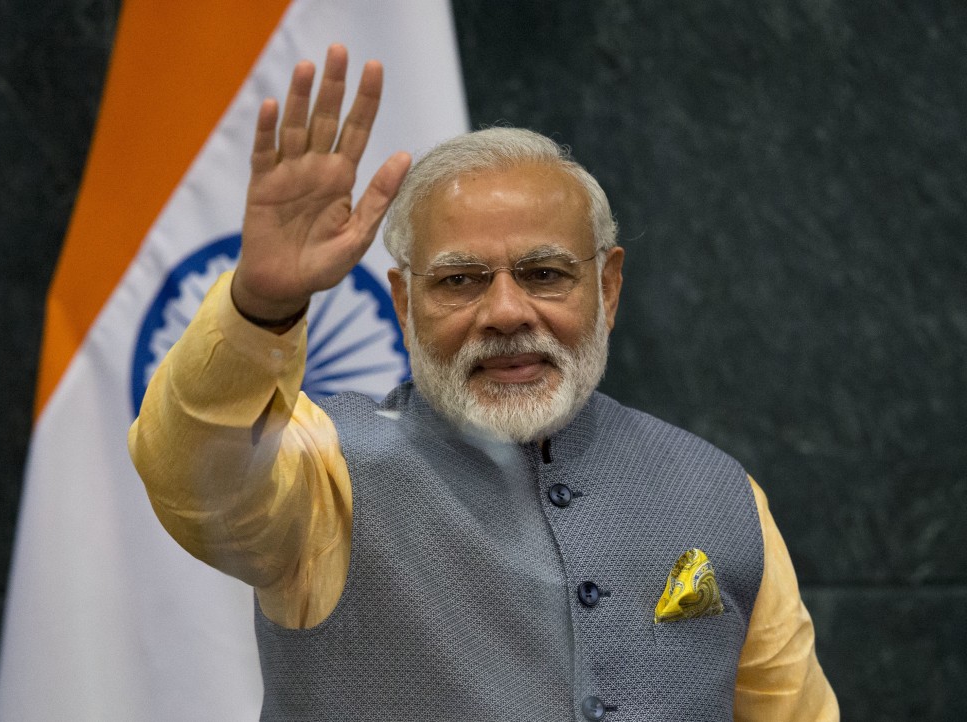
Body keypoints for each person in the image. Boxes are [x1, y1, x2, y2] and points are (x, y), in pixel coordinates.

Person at [129, 44, 838, 721]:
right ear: (404, 304)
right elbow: (193, 476)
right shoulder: (322, 476)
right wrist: (260, 303)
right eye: (461, 281)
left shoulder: (718, 489)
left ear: (608, 287)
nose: (504, 312)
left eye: (544, 274)